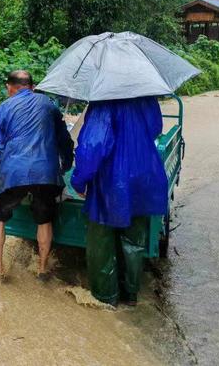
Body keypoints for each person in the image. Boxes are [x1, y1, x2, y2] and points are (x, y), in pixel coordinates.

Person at [70, 97, 168, 307]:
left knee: (101, 241)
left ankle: (106, 297)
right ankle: (130, 294)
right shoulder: (147, 99)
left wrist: (79, 181)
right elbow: (155, 129)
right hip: (142, 174)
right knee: (134, 239)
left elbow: (93, 146)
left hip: (111, 180)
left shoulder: (103, 102)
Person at [0, 70, 73, 279]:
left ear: (9, 87)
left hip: (13, 173)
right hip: (45, 173)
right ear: (32, 87)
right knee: (44, 220)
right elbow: (65, 141)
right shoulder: (49, 105)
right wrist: (65, 166)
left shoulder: (1, 109)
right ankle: (43, 269)